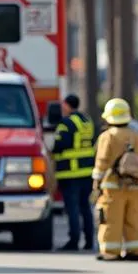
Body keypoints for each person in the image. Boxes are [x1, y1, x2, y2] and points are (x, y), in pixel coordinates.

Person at [92, 98, 138, 261]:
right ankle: (136, 251)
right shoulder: (136, 136)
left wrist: (96, 183)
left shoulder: (107, 137)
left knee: (111, 220)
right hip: (136, 187)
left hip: (113, 187)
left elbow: (102, 162)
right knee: (134, 220)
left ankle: (111, 252)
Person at [51, 93, 97, 251]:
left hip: (70, 173)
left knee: (73, 209)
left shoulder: (66, 123)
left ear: (66, 105)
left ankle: (74, 241)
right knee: (85, 207)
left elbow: (58, 145)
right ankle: (90, 240)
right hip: (87, 173)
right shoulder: (87, 121)